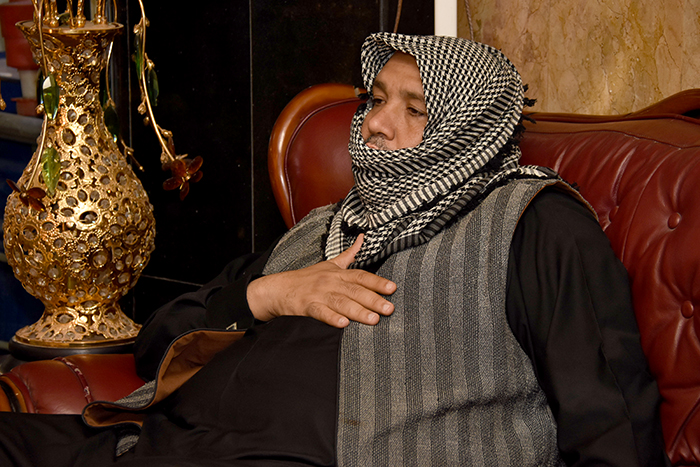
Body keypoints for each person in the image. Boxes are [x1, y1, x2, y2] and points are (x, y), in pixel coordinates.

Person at [0, 33, 669, 466]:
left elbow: (612, 429)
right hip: (147, 444)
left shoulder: (532, 224)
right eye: (376, 99)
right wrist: (268, 295)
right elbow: (158, 342)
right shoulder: (328, 224)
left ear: (469, 128)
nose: (375, 122)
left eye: (415, 109)